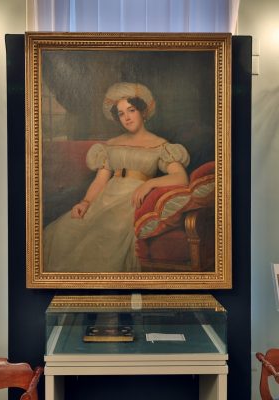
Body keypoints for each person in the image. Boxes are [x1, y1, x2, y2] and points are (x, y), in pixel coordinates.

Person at [43, 82, 190, 272]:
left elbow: (181, 177)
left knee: (105, 236)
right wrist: (85, 203)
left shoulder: (160, 145)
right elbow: (100, 180)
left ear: (143, 112)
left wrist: (149, 184)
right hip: (105, 199)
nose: (126, 117)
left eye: (131, 110)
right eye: (121, 113)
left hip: (130, 202)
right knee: (64, 231)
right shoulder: (111, 144)